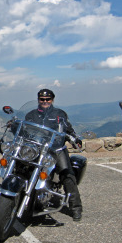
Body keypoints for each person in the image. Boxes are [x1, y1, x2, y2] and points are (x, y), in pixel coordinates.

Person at [25, 89, 83, 221]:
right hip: (38, 148)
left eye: (47, 99)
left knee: (67, 174)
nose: (45, 101)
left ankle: (76, 208)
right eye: (42, 99)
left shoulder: (59, 114)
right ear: (38, 99)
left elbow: (68, 129)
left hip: (56, 149)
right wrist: (14, 126)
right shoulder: (31, 115)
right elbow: (25, 129)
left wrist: (75, 138)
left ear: (52, 100)